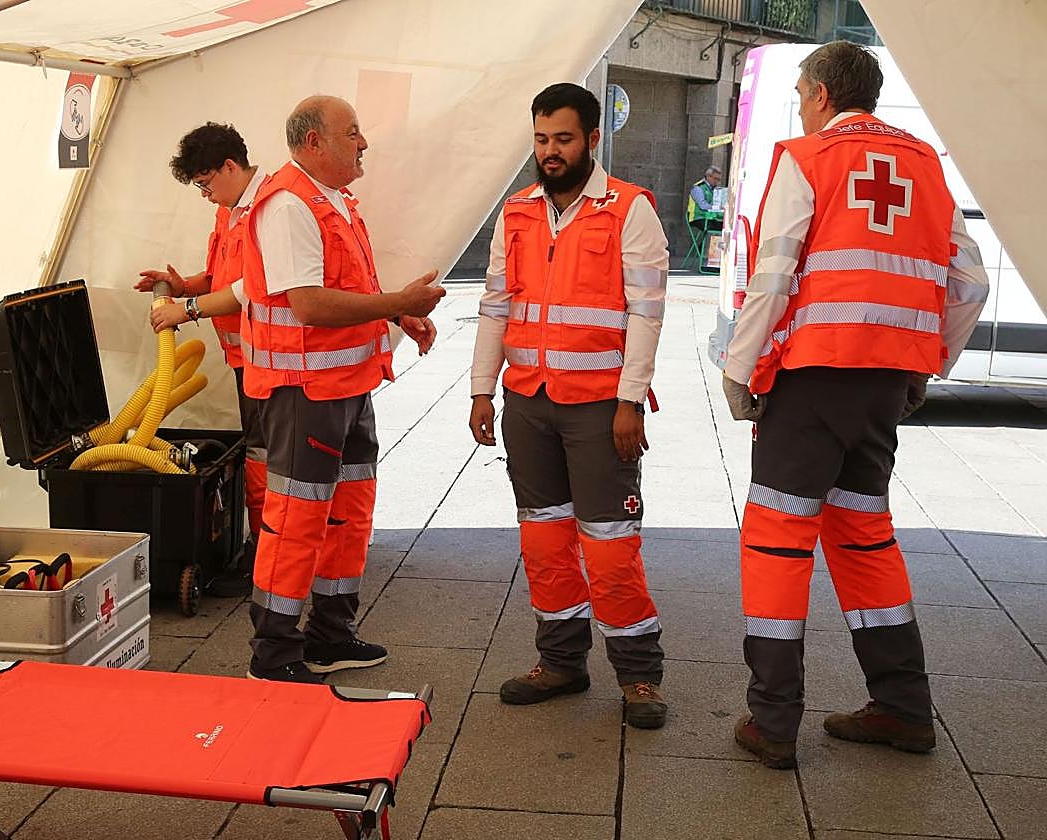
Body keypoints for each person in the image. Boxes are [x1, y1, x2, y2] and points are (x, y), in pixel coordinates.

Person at [721, 41, 989, 768]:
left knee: (777, 540)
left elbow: (774, 274)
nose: (800, 108)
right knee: (864, 535)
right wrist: (926, 361)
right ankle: (903, 708)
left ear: (820, 95)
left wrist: (739, 369)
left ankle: (773, 720)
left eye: (800, 95)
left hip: (812, 380)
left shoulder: (810, 159)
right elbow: (970, 282)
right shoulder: (925, 163)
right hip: (882, 387)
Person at [468, 83, 671, 729]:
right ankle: (560, 662)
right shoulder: (517, 212)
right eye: (541, 139)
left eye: (563, 139)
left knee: (610, 545)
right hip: (528, 400)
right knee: (545, 540)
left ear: (591, 139)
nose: (550, 151)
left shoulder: (629, 209)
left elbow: (647, 312)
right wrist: (481, 387)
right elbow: (495, 305)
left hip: (599, 406)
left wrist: (630, 399)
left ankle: (638, 676)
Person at [238, 95, 444, 683]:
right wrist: (398, 301)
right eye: (352, 132)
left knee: (347, 512)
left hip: (345, 387)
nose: (363, 143)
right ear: (314, 143)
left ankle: (331, 635)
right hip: (307, 391)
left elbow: (344, 287)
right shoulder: (288, 205)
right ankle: (274, 653)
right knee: (297, 519)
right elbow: (308, 304)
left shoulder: (331, 200)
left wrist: (397, 315)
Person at [140, 123, 269, 590]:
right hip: (246, 360)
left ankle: (266, 560)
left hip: (269, 363)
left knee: (265, 458)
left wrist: (186, 309)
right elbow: (220, 276)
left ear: (230, 166)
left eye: (205, 184)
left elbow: (251, 289)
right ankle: (265, 551)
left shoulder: (268, 208)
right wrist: (185, 286)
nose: (205, 195)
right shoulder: (229, 210)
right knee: (259, 454)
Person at [687, 165, 724, 232]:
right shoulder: (698, 188)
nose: (717, 182)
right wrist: (717, 207)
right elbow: (703, 205)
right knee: (722, 227)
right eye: (715, 178)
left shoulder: (713, 189)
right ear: (708, 176)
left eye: (718, 180)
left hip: (709, 217)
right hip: (698, 218)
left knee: (725, 225)